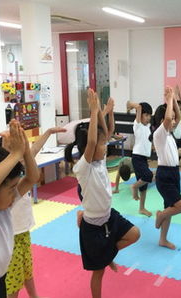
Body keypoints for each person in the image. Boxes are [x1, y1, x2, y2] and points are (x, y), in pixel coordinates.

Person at [65, 89, 140, 298]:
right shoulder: (83, 167)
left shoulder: (100, 161)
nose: (104, 146)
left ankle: (108, 254)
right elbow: (91, 142)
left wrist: (108, 112)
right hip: (93, 228)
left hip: (109, 217)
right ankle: (105, 260)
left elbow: (107, 132)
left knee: (135, 234)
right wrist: (94, 110)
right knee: (98, 273)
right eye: (101, 144)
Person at [0, 120, 39, 298]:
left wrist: (25, 149)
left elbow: (33, 177)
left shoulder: (3, 207)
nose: (15, 195)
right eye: (11, 190)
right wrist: (14, 154)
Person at [0, 127, 66, 298]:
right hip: (10, 235)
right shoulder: (5, 174)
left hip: (24, 231)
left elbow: (34, 149)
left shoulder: (22, 166)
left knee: (27, 271)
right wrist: (6, 145)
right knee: (13, 281)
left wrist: (49, 132)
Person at [153, 87, 181, 250]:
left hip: (174, 174)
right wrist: (169, 100)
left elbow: (177, 117)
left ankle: (163, 239)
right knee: (180, 206)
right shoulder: (159, 134)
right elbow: (167, 119)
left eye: (174, 119)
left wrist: (173, 102)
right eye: (170, 119)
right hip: (164, 176)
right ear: (161, 121)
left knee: (171, 207)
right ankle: (160, 215)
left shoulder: (170, 135)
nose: (173, 121)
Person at [126, 100, 153, 217]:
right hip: (137, 158)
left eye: (149, 116)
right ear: (140, 115)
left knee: (144, 185)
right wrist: (130, 106)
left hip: (144, 159)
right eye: (146, 115)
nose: (148, 118)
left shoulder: (148, 127)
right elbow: (138, 107)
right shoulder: (137, 125)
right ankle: (134, 186)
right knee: (149, 176)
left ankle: (142, 208)